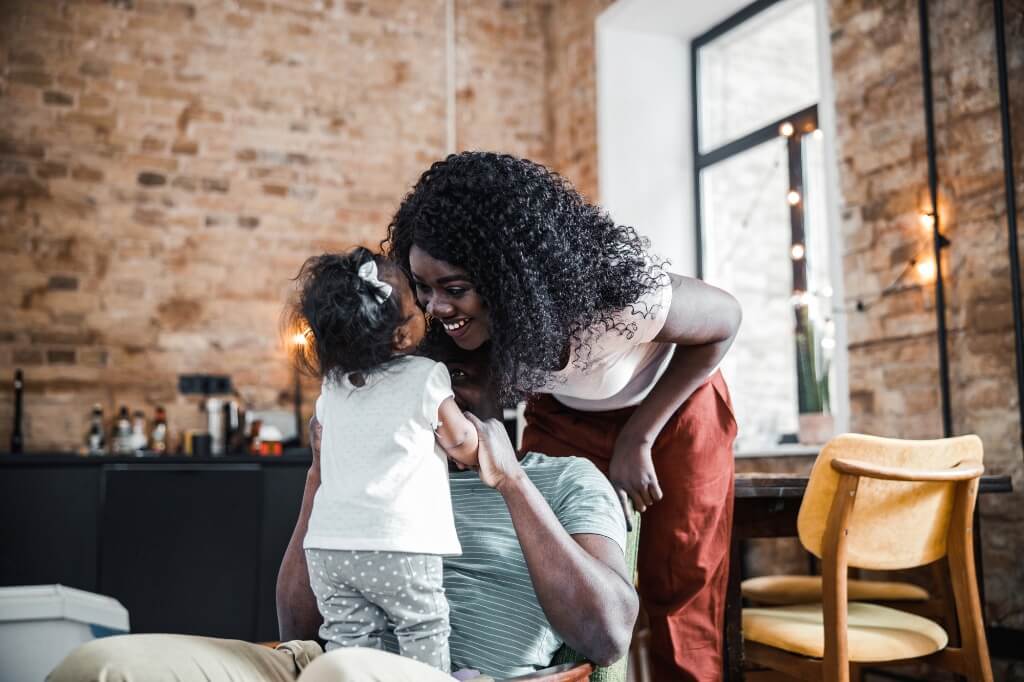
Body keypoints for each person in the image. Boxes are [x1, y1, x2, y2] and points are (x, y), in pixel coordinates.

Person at [49, 344, 638, 681]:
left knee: (347, 676)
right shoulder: (370, 470)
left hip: (443, 675)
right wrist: (321, 477)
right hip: (320, 665)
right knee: (100, 667)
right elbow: (297, 631)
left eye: (456, 374)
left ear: (510, 383)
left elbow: (607, 635)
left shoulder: (563, 479)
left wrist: (509, 480)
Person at [385, 151, 741, 681]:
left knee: (679, 578)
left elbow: (725, 321)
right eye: (424, 287)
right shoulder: (471, 322)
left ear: (509, 276)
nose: (434, 306)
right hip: (565, 410)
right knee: (543, 548)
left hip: (674, 406)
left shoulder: (619, 300)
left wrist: (638, 438)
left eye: (454, 289)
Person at [288, 247, 480, 672]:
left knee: (349, 643)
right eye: (416, 308)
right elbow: (461, 442)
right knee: (422, 628)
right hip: (398, 545)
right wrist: (479, 442)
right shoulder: (424, 376)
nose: (425, 312)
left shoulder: (332, 389)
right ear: (399, 336)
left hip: (328, 548)